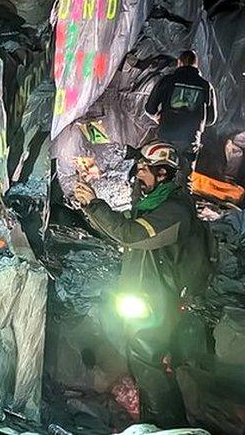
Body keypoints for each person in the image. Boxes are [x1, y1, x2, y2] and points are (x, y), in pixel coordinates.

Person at [73, 141, 213, 427]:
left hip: (161, 300)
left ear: (163, 173)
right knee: (144, 362)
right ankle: (159, 423)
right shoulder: (152, 204)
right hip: (146, 297)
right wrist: (89, 209)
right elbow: (123, 229)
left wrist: (95, 204)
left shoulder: (175, 212)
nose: (138, 174)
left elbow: (132, 234)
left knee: (148, 363)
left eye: (144, 169)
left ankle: (167, 425)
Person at [145, 50, 217, 171]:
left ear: (179, 63)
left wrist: (157, 117)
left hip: (167, 135)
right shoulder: (206, 86)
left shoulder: (168, 80)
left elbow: (150, 108)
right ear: (196, 64)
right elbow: (211, 119)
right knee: (185, 179)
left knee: (162, 173)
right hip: (190, 139)